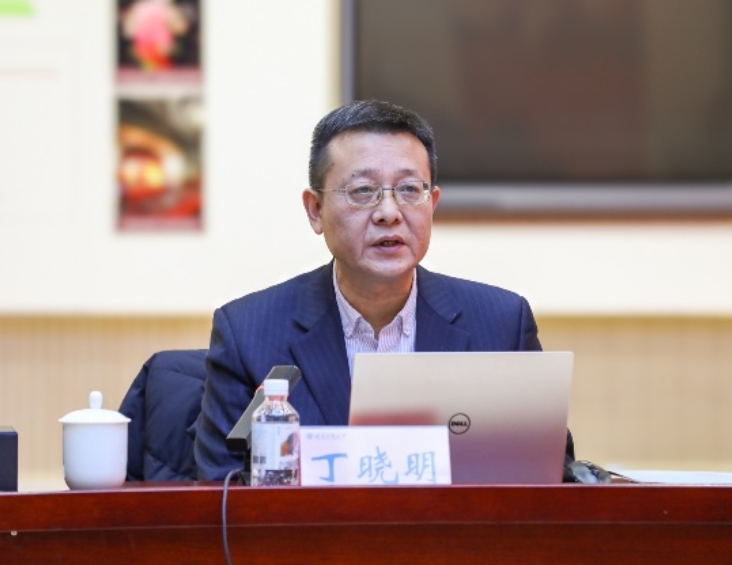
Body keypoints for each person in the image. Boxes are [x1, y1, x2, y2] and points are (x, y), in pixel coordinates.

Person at [194, 99, 574, 480]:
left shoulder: (502, 325)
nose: (389, 212)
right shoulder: (248, 333)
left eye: (409, 189)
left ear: (432, 204)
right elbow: (221, 490)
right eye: (363, 191)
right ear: (315, 210)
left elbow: (550, 477)